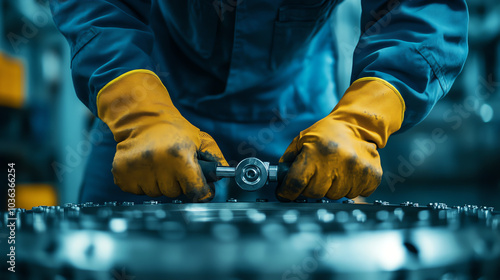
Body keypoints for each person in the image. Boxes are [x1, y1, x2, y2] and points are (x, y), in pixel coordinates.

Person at [50, 0, 468, 203]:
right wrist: (137, 115)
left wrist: (362, 122)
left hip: (300, 112)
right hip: (150, 104)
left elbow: (418, 9)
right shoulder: (142, 116)